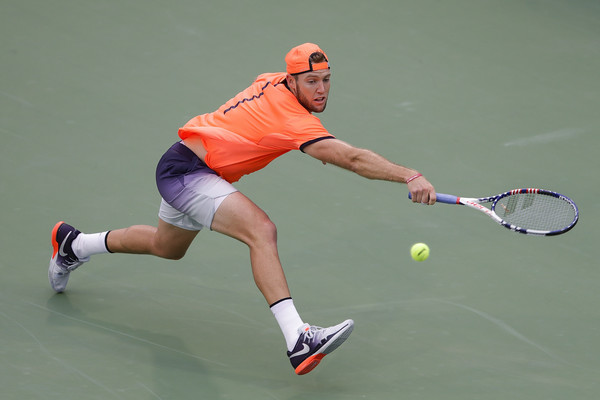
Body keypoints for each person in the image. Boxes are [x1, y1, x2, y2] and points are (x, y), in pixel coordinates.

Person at [49, 43, 436, 375]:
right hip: (190, 171)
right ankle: (298, 339)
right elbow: (351, 159)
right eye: (311, 81)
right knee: (261, 231)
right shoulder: (291, 117)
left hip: (184, 163)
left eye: (326, 79)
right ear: (292, 80)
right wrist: (409, 175)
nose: (321, 90)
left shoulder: (271, 80)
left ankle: (74, 244)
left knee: (166, 247)